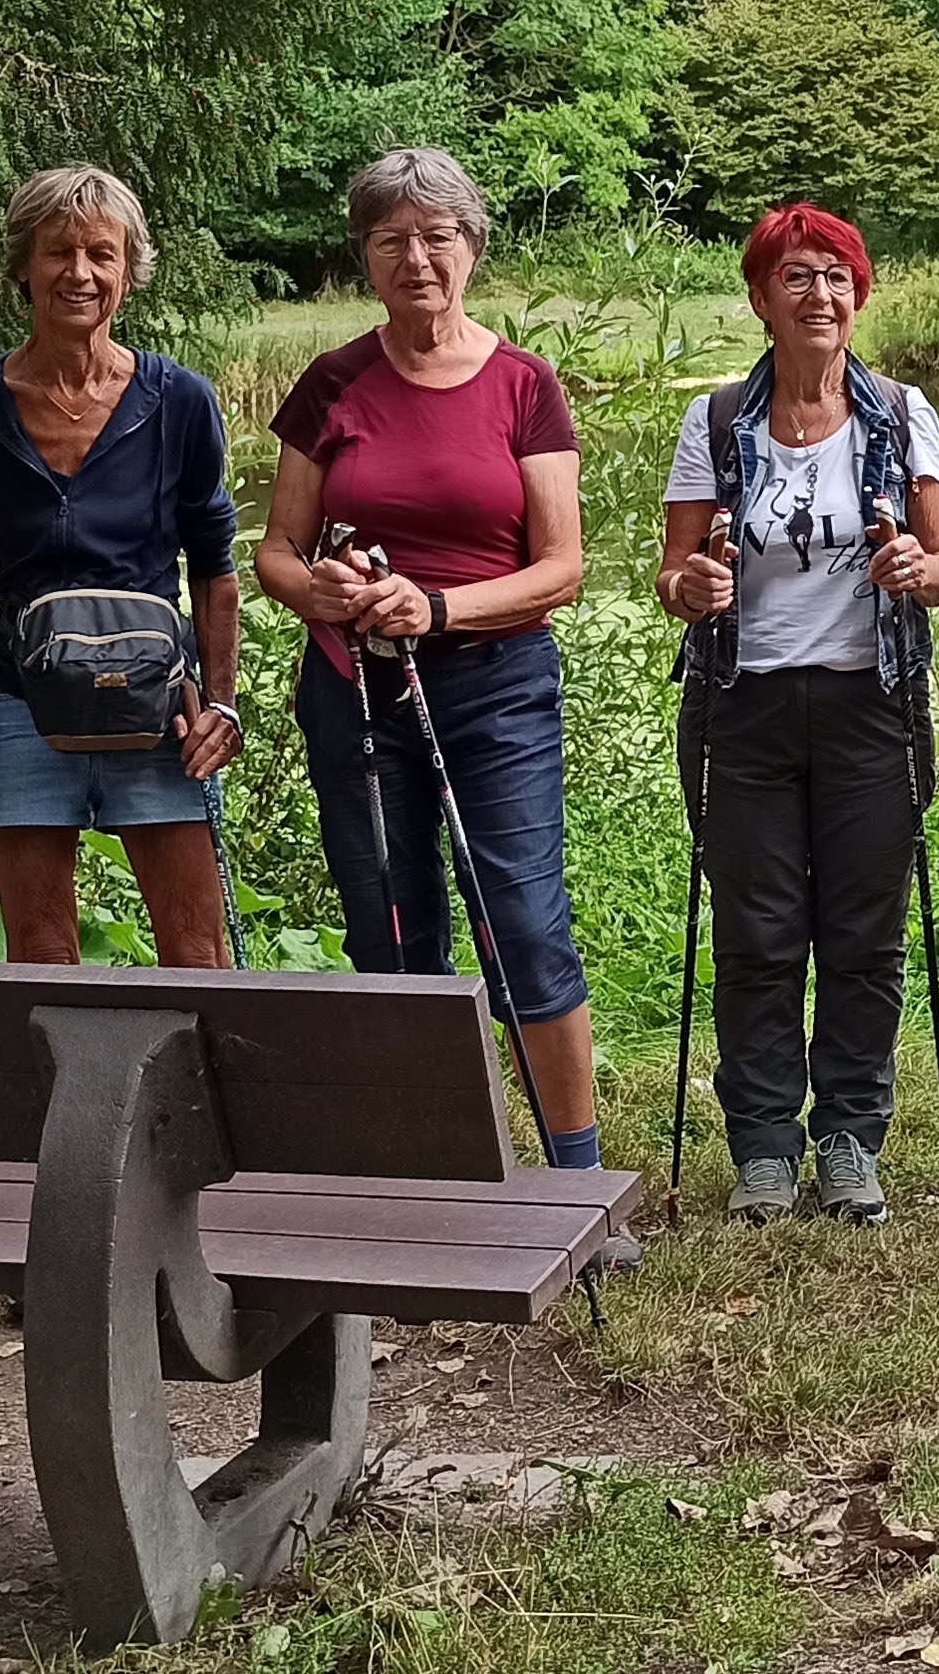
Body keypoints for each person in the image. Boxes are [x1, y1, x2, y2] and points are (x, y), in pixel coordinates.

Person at [253, 148, 612, 1190]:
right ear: (364, 258)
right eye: (391, 240)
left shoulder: (523, 384)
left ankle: (574, 1181)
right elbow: (276, 551)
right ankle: (435, 1173)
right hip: (355, 692)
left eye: (437, 237)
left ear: (472, 248)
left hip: (494, 687)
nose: (417, 259)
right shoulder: (331, 383)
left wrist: (440, 607)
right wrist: (318, 591)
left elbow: (561, 569)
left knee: (524, 927)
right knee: (390, 929)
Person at [658, 203, 939, 1227]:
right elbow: (673, 573)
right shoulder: (714, 422)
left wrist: (919, 566)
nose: (819, 295)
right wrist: (692, 588)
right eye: (796, 276)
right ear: (761, 297)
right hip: (740, 706)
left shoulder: (902, 414)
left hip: (870, 703)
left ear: (857, 296)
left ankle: (848, 1140)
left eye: (837, 277)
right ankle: (762, 1149)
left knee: (864, 935)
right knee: (755, 935)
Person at [0, 166, 245, 967]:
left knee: (198, 955)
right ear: (22, 267)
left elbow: (215, 570)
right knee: (40, 954)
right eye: (57, 252)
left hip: (159, 705)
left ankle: (196, 1064)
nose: (80, 273)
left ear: (129, 272)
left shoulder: (180, 400)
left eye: (102, 253)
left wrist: (222, 706)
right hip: (17, 698)